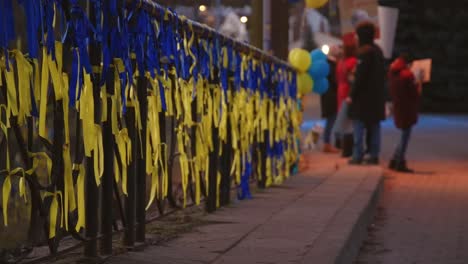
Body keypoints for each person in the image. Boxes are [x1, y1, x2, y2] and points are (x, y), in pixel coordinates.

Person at [348, 22, 386, 165]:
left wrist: (351, 95)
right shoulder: (378, 51)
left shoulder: (364, 53)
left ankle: (357, 155)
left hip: (363, 99)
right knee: (374, 127)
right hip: (376, 97)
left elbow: (360, 78)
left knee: (358, 126)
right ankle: (373, 154)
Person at [388, 54, 421, 172]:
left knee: (403, 135)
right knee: (405, 136)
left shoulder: (393, 74)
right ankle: (399, 162)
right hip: (407, 110)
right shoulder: (407, 76)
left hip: (399, 108)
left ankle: (394, 159)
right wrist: (418, 86)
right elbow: (414, 94)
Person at [335, 33, 358, 157]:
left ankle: (344, 149)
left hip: (341, 90)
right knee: (350, 122)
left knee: (344, 120)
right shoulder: (353, 62)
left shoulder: (341, 62)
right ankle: (348, 150)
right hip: (348, 91)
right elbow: (354, 79)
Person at [321, 46, 340, 153]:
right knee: (332, 120)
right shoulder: (331, 65)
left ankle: (328, 143)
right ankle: (327, 143)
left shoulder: (326, 64)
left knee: (331, 120)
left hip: (327, 96)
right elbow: (334, 81)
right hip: (331, 97)